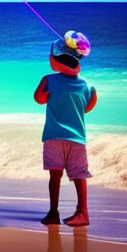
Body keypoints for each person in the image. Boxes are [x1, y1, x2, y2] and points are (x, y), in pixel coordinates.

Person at [34, 31, 96, 227]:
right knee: (79, 175)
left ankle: (53, 213)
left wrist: (53, 95)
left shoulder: (49, 80)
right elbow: (87, 107)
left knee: (55, 175)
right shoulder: (88, 85)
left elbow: (39, 99)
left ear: (57, 60)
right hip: (77, 138)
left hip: (53, 137)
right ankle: (82, 212)